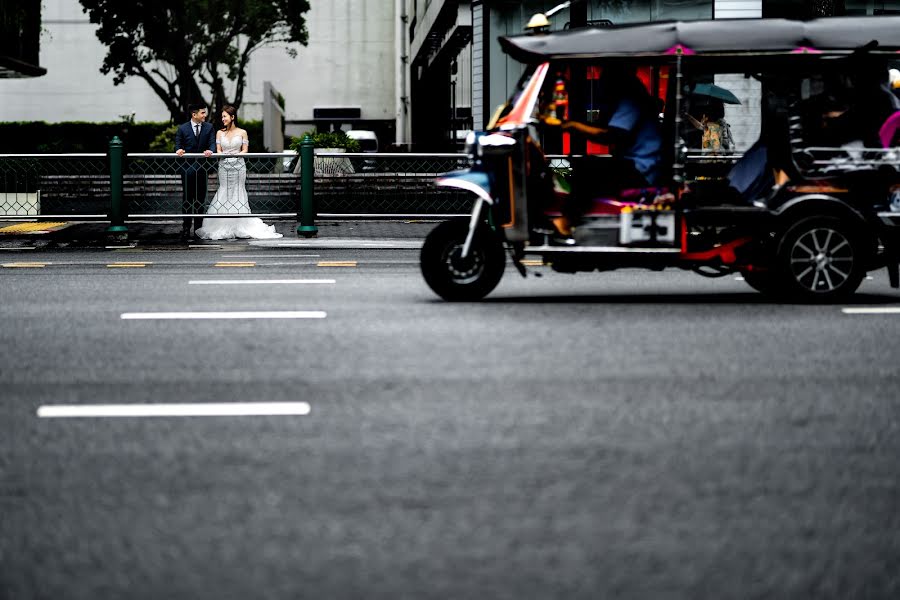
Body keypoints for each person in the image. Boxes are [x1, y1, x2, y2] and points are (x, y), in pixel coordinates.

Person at [543, 66, 663, 236]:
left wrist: (570, 126)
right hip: (636, 165)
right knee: (583, 165)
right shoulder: (627, 99)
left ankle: (567, 221)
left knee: (588, 168)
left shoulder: (631, 100)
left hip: (641, 170)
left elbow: (611, 135)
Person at [194, 105, 283, 240]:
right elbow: (218, 149)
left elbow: (245, 150)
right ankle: (222, 222)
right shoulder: (219, 133)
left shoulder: (242, 132)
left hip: (238, 165)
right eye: (222, 116)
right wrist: (224, 156)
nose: (222, 119)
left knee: (238, 190)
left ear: (232, 117)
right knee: (224, 190)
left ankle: (240, 223)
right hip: (224, 165)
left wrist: (236, 156)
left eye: (225, 116)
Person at [175, 103, 217, 239]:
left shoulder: (209, 127)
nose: (205, 115)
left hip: (202, 169)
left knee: (200, 199)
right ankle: (186, 227)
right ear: (194, 115)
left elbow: (212, 143)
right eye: (202, 113)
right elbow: (178, 144)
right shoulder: (182, 128)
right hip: (187, 169)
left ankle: (199, 229)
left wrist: (211, 150)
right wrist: (178, 150)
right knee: (187, 198)